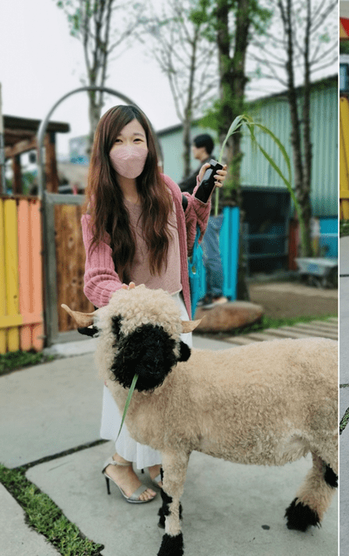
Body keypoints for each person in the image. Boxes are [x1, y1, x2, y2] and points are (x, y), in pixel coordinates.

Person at [82, 105, 226, 503]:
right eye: (118, 141)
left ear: (149, 144)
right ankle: (118, 463)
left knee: (171, 394)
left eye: (137, 139)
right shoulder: (102, 207)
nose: (129, 150)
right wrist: (128, 298)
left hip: (175, 309)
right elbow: (96, 276)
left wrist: (204, 191)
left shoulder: (163, 187)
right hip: (135, 319)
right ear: (104, 150)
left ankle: (152, 461)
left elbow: (188, 230)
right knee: (137, 396)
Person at [178, 133, 227, 308]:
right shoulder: (205, 166)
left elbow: (186, 184)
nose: (192, 149)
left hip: (211, 216)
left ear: (201, 148)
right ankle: (209, 294)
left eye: (194, 146)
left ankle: (217, 294)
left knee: (211, 256)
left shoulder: (211, 166)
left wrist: (169, 189)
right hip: (208, 215)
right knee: (206, 257)